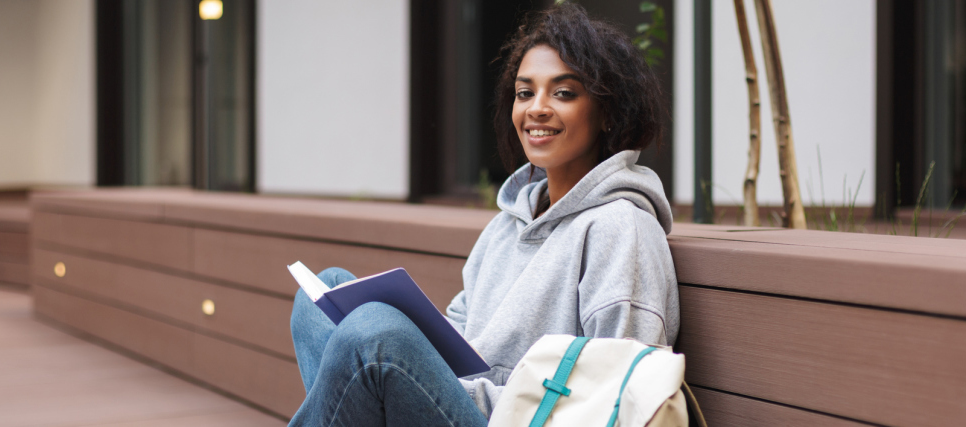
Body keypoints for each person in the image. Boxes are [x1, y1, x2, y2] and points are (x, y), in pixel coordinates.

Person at [287, 4, 677, 426]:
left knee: (373, 332)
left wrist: (442, 380)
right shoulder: (509, 221)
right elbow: (463, 332)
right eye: (525, 92)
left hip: (519, 419)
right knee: (323, 294)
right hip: (468, 402)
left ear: (606, 112)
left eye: (563, 93)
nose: (537, 109)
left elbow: (619, 389)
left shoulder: (621, 227)